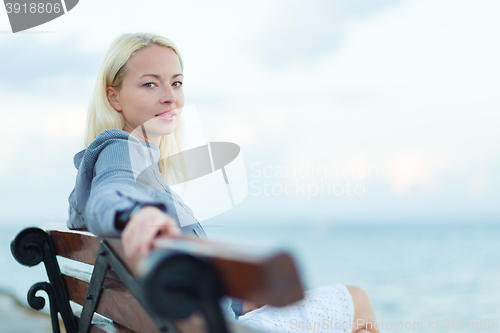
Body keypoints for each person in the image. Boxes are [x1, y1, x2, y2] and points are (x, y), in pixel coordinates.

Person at [66, 32, 380, 333]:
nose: (170, 97)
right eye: (150, 84)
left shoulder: (130, 162)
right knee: (358, 303)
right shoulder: (121, 148)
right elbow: (110, 195)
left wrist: (240, 300)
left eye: (176, 83)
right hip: (210, 327)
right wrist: (134, 216)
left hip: (196, 320)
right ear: (114, 97)